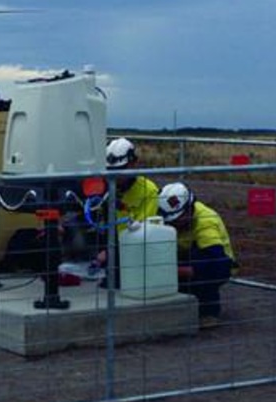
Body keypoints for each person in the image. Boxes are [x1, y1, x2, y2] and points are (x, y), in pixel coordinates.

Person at [158, 182, 237, 325]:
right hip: (184, 255)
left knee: (207, 269)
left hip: (218, 262)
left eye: (179, 218)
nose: (176, 223)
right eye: (172, 221)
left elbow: (217, 260)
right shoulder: (164, 216)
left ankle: (208, 312)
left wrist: (176, 271)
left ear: (190, 208)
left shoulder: (206, 221)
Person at [95, 138, 160, 278]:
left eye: (120, 170)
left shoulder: (148, 191)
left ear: (133, 164)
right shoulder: (105, 187)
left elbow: (142, 232)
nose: (115, 176)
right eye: (110, 171)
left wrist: (110, 252)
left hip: (134, 251)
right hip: (110, 243)